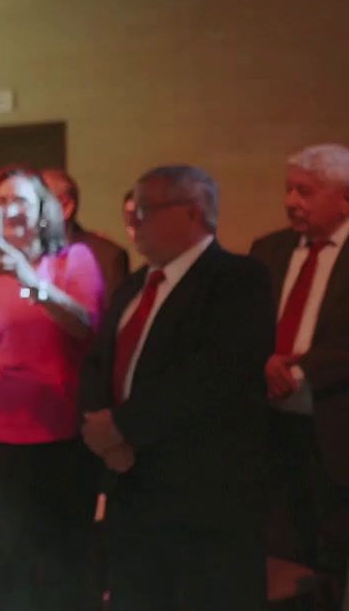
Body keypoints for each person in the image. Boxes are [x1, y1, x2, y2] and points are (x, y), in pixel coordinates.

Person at [79, 165, 274, 611]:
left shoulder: (238, 279)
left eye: (145, 210)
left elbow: (214, 374)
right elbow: (96, 363)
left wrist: (123, 428)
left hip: (202, 494)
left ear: (194, 212)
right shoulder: (133, 285)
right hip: (132, 485)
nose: (133, 224)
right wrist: (98, 426)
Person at [0, 168, 103, 611]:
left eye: (20, 200)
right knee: (14, 547)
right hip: (1, 431)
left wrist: (30, 279)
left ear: (45, 212)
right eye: (0, 201)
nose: (9, 210)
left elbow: (87, 326)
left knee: (68, 549)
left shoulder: (72, 260)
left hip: (65, 429)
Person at [250, 143, 349, 609]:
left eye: (305, 192)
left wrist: (303, 368)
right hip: (274, 428)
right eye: (289, 190)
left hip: (336, 426)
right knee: (285, 553)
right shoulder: (269, 249)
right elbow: (245, 327)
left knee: (337, 554)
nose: (291, 201)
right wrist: (263, 361)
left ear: (344, 199)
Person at [41, 167, 130, 299]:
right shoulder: (16, 254)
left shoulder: (104, 257)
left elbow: (109, 317)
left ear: (65, 207)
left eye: (38, 202)